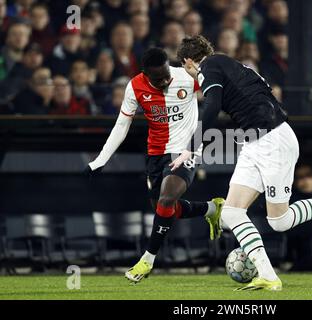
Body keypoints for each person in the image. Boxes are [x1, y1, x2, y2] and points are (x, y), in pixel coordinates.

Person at [173, 35, 312, 291]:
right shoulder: (230, 65)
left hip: (272, 140)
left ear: (188, 61)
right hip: (256, 140)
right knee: (231, 212)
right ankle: (268, 276)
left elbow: (212, 106)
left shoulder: (209, 67)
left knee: (279, 221)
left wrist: (191, 146)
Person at [84, 48, 224, 283]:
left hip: (186, 149)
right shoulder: (134, 87)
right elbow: (121, 126)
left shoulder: (185, 76)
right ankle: (211, 209)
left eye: (167, 75)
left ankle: (147, 261)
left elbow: (218, 88)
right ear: (145, 74)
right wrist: (100, 161)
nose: (166, 81)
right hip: (155, 153)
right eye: (158, 79)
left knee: (166, 200)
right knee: (166, 208)